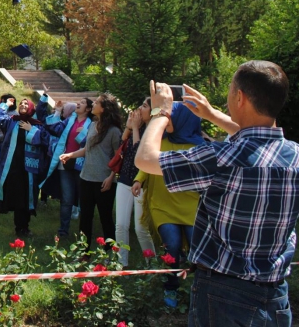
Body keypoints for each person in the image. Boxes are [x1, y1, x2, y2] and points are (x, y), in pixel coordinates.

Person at [136, 63, 299, 326]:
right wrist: (212, 114)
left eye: (231, 90)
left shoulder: (223, 159)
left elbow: (145, 159)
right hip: (275, 295)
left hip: (223, 296)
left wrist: (161, 113)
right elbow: (255, 141)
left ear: (239, 97)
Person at [133, 101, 200, 307]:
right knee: (172, 246)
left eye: (171, 116)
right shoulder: (160, 141)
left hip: (190, 206)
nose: (166, 120)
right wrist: (139, 179)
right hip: (162, 204)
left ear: (183, 120)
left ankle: (199, 289)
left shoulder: (199, 147)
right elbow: (147, 161)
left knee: (197, 251)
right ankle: (170, 289)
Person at [61, 93, 122, 248]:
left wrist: (111, 177)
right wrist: (70, 155)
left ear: (104, 108)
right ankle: (84, 251)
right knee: (85, 217)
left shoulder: (114, 131)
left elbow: (118, 157)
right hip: (86, 178)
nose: (93, 104)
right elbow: (87, 149)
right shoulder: (93, 125)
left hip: (104, 181)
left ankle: (110, 253)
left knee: (105, 217)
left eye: (97, 102)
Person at [0, 98, 47, 236]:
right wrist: (6, 104)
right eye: (21, 103)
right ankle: (19, 227)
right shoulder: (12, 121)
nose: (23, 105)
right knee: (17, 197)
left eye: (26, 104)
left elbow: (45, 140)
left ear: (30, 108)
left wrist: (31, 129)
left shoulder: (36, 124)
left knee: (27, 196)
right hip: (13, 167)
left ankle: (25, 226)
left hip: (30, 168)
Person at [40, 98, 93, 237]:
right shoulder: (70, 120)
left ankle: (84, 233)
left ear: (88, 109)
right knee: (67, 199)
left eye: (82, 103)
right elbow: (54, 129)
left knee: (83, 199)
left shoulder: (92, 124)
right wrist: (57, 111)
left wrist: (85, 133)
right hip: (65, 164)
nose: (78, 104)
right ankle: (63, 231)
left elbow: (90, 144)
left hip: (82, 166)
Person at [114, 101, 155, 267]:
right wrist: (130, 127)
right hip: (125, 179)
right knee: (121, 225)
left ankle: (151, 264)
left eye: (145, 106)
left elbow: (140, 154)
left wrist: (136, 129)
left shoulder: (153, 131)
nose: (140, 109)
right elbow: (122, 144)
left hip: (141, 182)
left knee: (140, 228)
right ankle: (121, 262)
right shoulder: (137, 127)